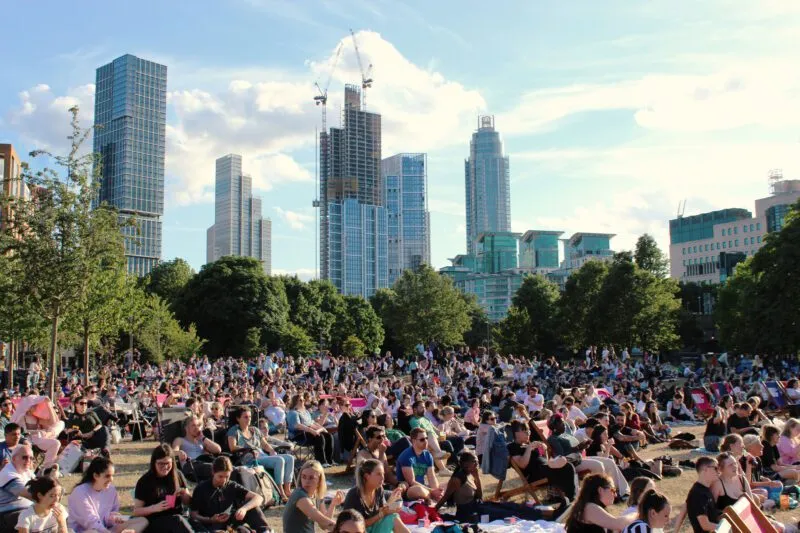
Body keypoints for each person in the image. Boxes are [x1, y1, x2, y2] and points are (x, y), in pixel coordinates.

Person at [435, 451, 564, 523]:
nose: (477, 464)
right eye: (474, 462)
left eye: (477, 461)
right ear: (464, 464)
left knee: (512, 506)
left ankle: (552, 513)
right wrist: (433, 511)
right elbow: (445, 497)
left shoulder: (469, 474)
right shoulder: (457, 478)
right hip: (469, 513)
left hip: (478, 505)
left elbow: (480, 496)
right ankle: (550, 515)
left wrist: (477, 478)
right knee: (509, 513)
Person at [68, 456, 148, 533]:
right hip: (88, 530)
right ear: (96, 476)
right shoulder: (80, 492)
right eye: (107, 476)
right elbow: (91, 523)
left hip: (106, 529)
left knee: (142, 521)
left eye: (112, 475)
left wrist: (114, 518)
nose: (111, 479)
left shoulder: (111, 490)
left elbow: (109, 516)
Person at [190, 456, 270, 532]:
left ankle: (265, 531)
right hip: (211, 525)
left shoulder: (231, 485)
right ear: (213, 472)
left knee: (252, 507)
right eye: (220, 476)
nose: (224, 480)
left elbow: (258, 498)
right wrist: (210, 519)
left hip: (229, 521)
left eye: (227, 476)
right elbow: (194, 515)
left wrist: (244, 509)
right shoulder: (201, 489)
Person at [507, 420, 577, 500]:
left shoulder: (528, 444)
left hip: (546, 467)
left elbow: (544, 460)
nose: (528, 433)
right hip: (536, 475)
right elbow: (522, 464)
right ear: (516, 433)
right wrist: (529, 448)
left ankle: (570, 498)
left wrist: (544, 451)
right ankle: (572, 499)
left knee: (571, 463)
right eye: (524, 431)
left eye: (528, 430)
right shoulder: (512, 447)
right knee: (568, 466)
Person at [132, 444, 194, 533]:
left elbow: (188, 502)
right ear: (154, 463)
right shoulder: (145, 481)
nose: (165, 467)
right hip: (154, 522)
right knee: (177, 521)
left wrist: (184, 493)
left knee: (195, 524)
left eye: (168, 463)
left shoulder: (178, 475)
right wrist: (155, 508)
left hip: (178, 518)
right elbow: (136, 511)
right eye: (161, 463)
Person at [342, 459, 408, 533]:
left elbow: (382, 511)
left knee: (392, 517)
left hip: (373, 527)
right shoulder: (354, 495)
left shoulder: (379, 490)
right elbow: (355, 526)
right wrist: (382, 514)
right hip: (358, 531)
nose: (383, 477)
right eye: (379, 474)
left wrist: (392, 500)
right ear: (367, 476)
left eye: (383, 474)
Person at [282, 460, 344, 533]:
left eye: (311, 478)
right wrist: (346, 530)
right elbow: (324, 522)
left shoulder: (316, 495)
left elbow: (323, 526)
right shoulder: (299, 495)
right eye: (303, 477)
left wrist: (333, 504)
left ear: (319, 480)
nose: (306, 481)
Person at [564, 473, 633, 533]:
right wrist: (638, 513)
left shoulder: (595, 507)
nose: (615, 495)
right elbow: (617, 524)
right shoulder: (589, 508)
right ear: (600, 490)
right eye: (613, 490)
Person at [396, 428, 442, 502]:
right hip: (409, 490)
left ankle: (434, 498)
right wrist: (432, 491)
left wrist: (436, 491)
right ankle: (431, 499)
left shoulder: (428, 455)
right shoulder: (406, 456)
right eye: (422, 439)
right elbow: (411, 482)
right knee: (419, 490)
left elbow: (432, 477)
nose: (426, 441)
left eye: (426, 438)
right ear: (414, 441)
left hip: (425, 488)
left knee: (446, 486)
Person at [286, 396, 335, 466]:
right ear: (296, 402)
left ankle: (330, 460)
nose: (303, 401)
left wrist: (322, 428)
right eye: (301, 400)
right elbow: (297, 425)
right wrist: (312, 431)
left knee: (328, 436)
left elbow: (312, 423)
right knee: (319, 437)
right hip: (298, 435)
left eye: (303, 399)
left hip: (308, 432)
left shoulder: (306, 412)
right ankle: (321, 462)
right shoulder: (293, 413)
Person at [172, 415, 221, 483]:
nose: (197, 428)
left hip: (204, 463)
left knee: (228, 468)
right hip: (190, 467)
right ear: (186, 428)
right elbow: (172, 453)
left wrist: (203, 438)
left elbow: (218, 450)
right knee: (218, 469)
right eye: (193, 425)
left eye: (198, 425)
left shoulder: (201, 441)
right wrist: (179, 452)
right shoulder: (180, 440)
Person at [0, 445, 36, 530]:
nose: (28, 461)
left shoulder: (26, 471)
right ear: (14, 458)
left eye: (31, 458)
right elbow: (30, 494)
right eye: (25, 457)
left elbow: (40, 486)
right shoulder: (8, 474)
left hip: (25, 510)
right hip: (7, 514)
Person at [683, 456, 721, 533]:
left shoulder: (705, 489)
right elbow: (705, 525)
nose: (719, 471)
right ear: (705, 469)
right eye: (716, 468)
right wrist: (726, 527)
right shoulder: (698, 494)